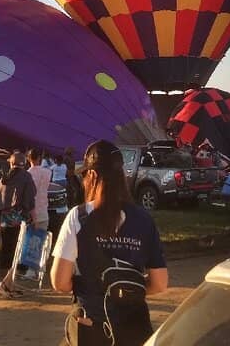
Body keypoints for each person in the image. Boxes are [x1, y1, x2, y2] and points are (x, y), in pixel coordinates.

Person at [51, 140, 167, 346]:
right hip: (134, 328)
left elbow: (59, 282)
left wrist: (89, 289)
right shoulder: (144, 219)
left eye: (85, 175)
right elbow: (159, 284)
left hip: (91, 326)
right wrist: (125, 292)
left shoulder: (78, 217)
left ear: (93, 176)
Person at [0, 151, 35, 298]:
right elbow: (30, 199)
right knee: (18, 254)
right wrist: (30, 216)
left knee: (9, 253)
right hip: (18, 221)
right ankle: (4, 284)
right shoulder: (26, 177)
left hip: (3, 221)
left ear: (11, 163)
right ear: (24, 163)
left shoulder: (5, 178)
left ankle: (10, 286)